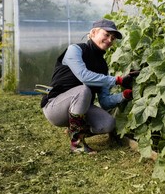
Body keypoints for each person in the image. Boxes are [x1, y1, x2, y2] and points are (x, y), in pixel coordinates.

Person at [40, 19, 139, 154]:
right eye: (106, 34)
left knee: (108, 124)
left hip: (80, 107)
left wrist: (124, 95)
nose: (110, 40)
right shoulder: (75, 50)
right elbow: (84, 76)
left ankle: (74, 130)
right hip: (55, 107)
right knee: (84, 89)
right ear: (93, 33)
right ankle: (77, 144)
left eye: (113, 38)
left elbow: (104, 101)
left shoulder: (103, 66)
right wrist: (118, 80)